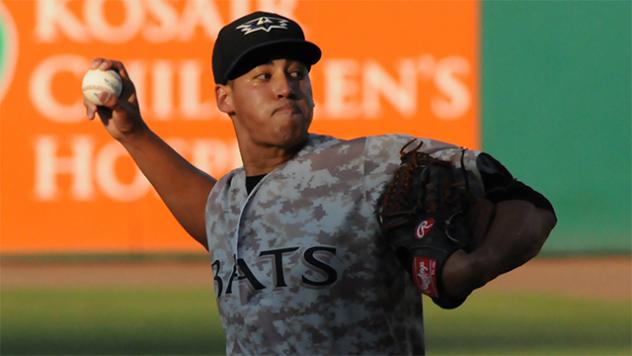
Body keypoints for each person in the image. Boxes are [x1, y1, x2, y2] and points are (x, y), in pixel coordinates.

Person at [84, 11, 556, 355]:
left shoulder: (373, 162)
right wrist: (133, 133)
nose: (285, 86)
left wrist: (473, 268)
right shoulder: (228, 202)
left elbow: (526, 203)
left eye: (296, 73)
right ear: (224, 98)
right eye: (262, 76)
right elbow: (212, 219)